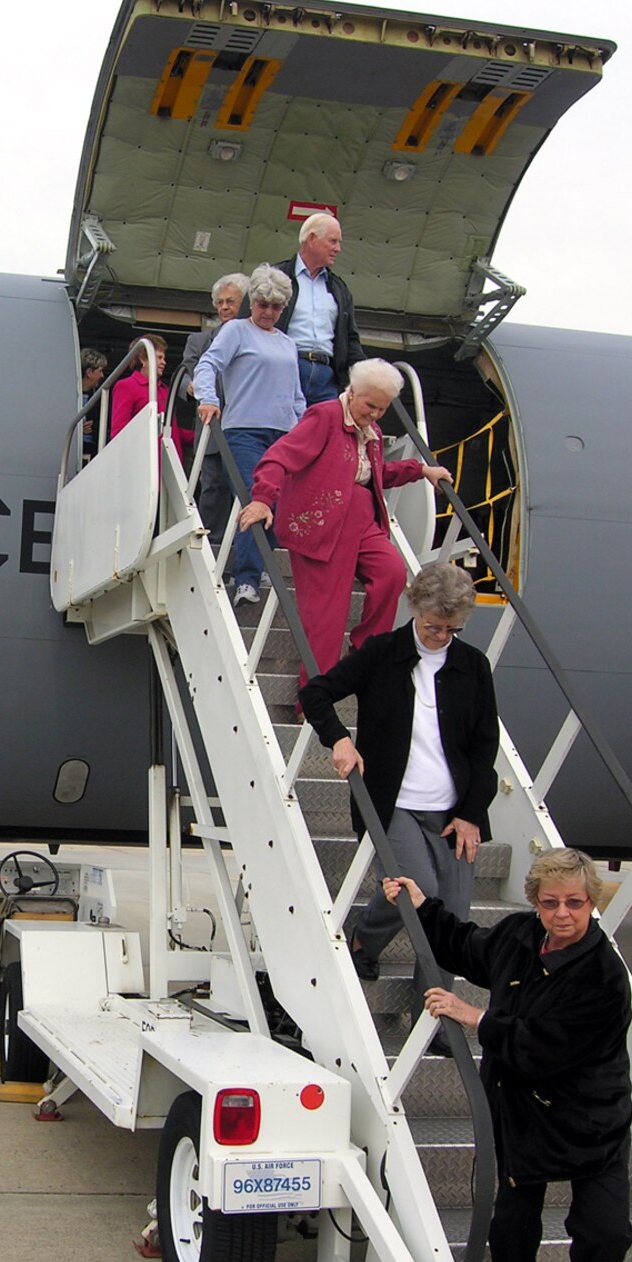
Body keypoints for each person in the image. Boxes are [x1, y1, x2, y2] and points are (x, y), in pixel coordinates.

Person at [381, 848, 632, 1262]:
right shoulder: (520, 936)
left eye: (574, 902)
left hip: (592, 1121)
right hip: (520, 1110)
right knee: (514, 1220)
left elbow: (549, 1047)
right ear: (535, 904)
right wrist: (423, 905)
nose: (562, 914)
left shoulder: (606, 978)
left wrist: (476, 1016)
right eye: (550, 903)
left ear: (593, 904)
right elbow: (467, 948)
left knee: (607, 1229)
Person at [299, 558, 497, 966]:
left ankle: (441, 1022)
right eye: (433, 627)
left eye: (452, 629)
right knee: (417, 886)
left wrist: (472, 813)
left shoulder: (473, 664)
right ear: (414, 609)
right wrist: (339, 739)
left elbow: (484, 745)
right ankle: (364, 942)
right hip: (393, 802)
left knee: (452, 921)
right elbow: (316, 693)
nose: (442, 637)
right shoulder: (382, 652)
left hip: (453, 809)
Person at [236, 359, 452, 676]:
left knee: (392, 573)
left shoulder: (372, 431)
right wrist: (263, 498)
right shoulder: (324, 416)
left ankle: (363, 656)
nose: (375, 415)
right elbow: (279, 456)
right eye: (370, 406)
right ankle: (314, 696)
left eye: (382, 409)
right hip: (321, 523)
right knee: (327, 615)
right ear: (352, 393)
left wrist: (420, 470)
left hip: (363, 521)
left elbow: (375, 474)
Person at [193, 264, 305, 604]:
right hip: (243, 430)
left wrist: (305, 433)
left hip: (283, 433)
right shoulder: (236, 331)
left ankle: (259, 568)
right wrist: (209, 399)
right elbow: (207, 364)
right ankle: (246, 578)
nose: (268, 312)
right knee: (256, 496)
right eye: (262, 304)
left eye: (275, 307)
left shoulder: (288, 344)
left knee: (276, 501)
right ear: (251, 303)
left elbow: (297, 395)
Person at [178, 273, 249, 539]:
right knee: (212, 488)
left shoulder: (260, 339)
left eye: (231, 301)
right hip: (211, 428)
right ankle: (209, 547)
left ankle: (240, 549)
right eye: (219, 303)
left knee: (244, 490)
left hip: (245, 427)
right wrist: (191, 386)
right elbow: (184, 374)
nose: (224, 308)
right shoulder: (199, 341)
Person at [273, 211, 366, 405]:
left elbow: (351, 338)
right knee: (284, 432)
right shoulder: (276, 276)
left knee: (322, 433)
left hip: (327, 376)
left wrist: (364, 376)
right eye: (333, 241)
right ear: (312, 238)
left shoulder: (339, 288)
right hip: (286, 367)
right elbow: (250, 322)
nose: (338, 249)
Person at [107, 336, 193, 462]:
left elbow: (171, 430)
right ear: (143, 359)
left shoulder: (164, 390)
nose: (164, 362)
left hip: (169, 464)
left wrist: (199, 437)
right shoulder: (126, 386)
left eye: (164, 358)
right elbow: (119, 431)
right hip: (142, 463)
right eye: (159, 357)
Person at [78, 348, 108, 464]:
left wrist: (94, 426)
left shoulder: (102, 397)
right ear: (89, 372)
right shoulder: (67, 394)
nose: (102, 375)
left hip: (92, 454)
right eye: (100, 371)